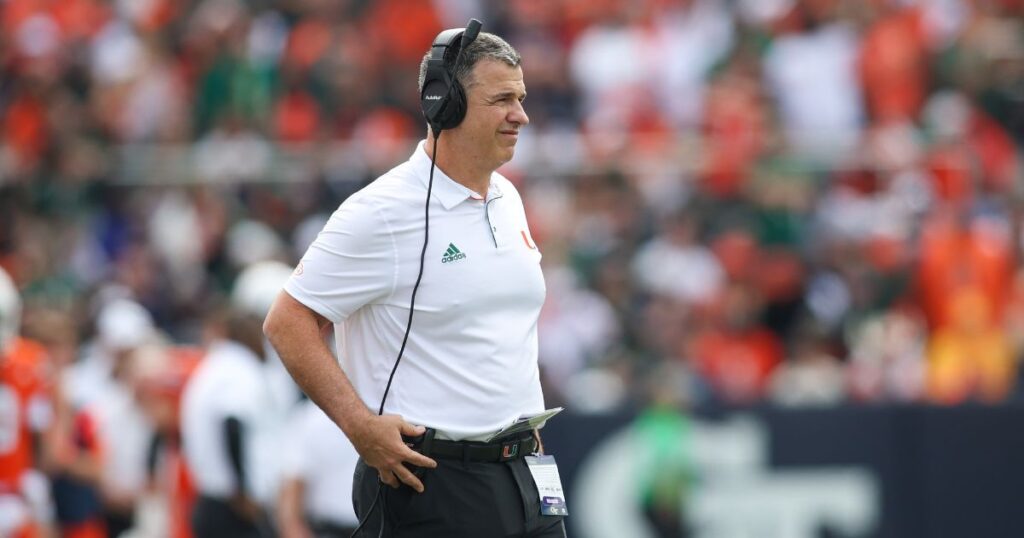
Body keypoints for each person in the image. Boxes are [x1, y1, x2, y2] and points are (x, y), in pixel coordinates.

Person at [264, 23, 566, 537]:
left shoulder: (506, 197)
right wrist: (359, 427)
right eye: (502, 100)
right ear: (444, 104)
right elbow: (287, 321)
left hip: (525, 475)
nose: (522, 115)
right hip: (435, 479)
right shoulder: (382, 212)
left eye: (521, 97)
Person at [181, 262, 292, 538]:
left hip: (216, 501)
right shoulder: (237, 368)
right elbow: (232, 422)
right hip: (231, 507)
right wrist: (243, 491)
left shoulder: (221, 364)